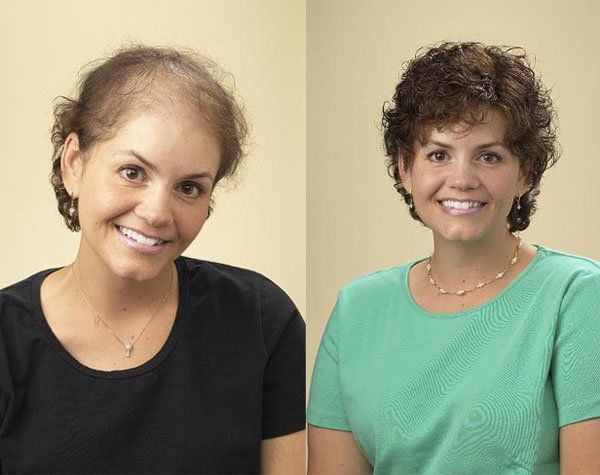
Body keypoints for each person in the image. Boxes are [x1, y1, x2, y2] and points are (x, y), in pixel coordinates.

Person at [0, 45, 306, 474]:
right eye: (132, 172)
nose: (158, 213)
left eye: (189, 188)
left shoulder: (261, 319)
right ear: (74, 164)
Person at [307, 42, 600, 473]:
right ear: (405, 168)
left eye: (489, 156)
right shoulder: (357, 311)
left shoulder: (576, 295)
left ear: (525, 173)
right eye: (438, 154)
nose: (461, 179)